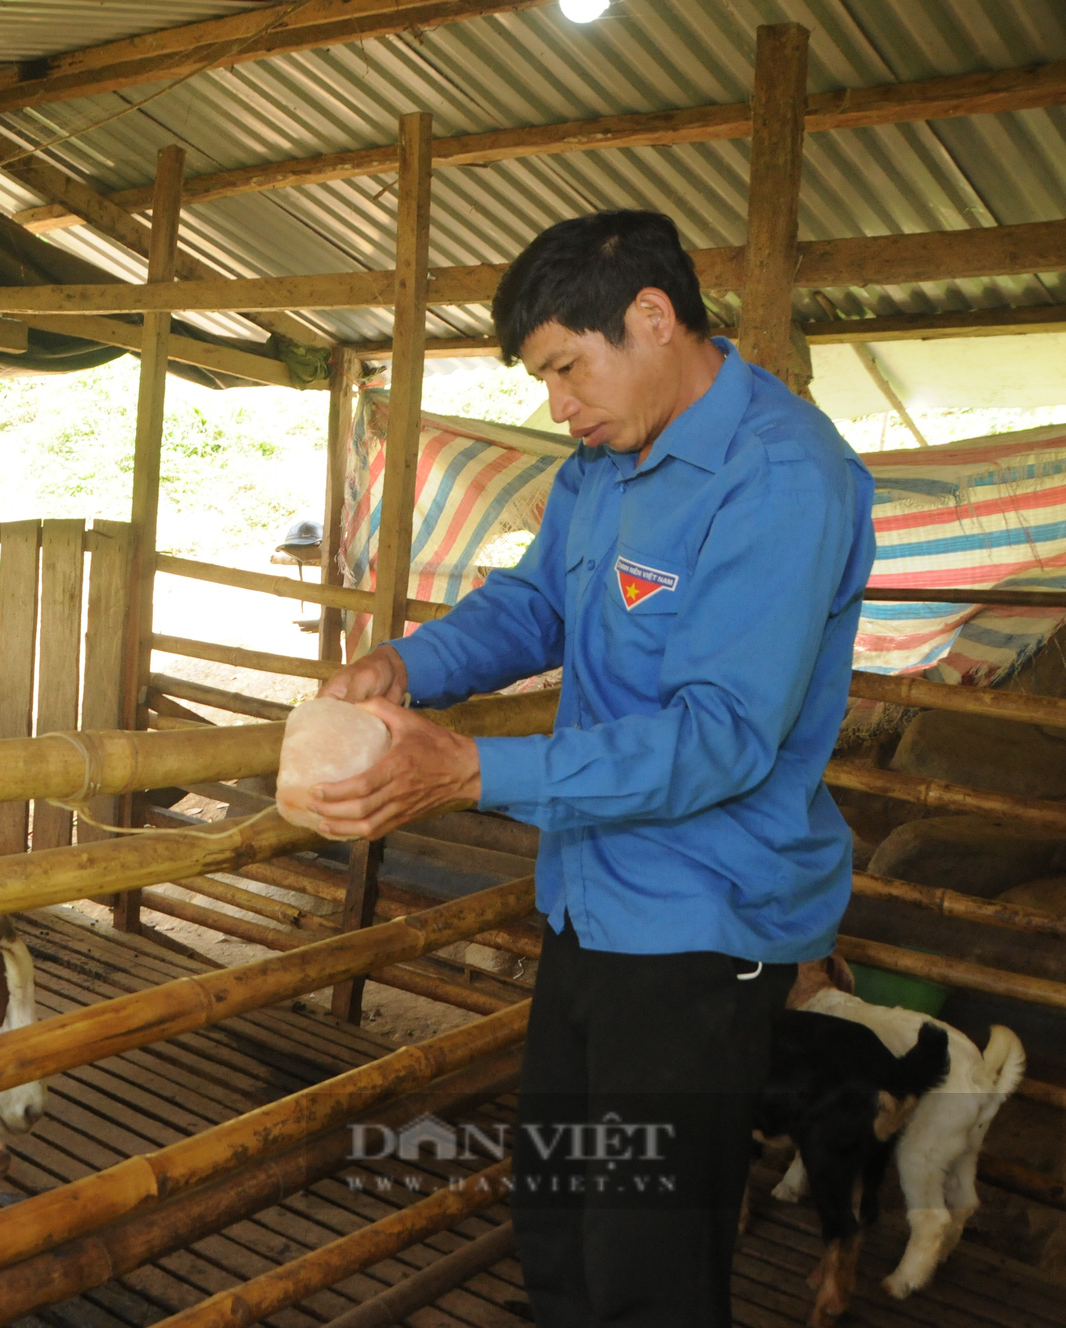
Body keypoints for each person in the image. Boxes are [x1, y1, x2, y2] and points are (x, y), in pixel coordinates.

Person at [308, 210, 875, 1328]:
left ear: (652, 319)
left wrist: (472, 770)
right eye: (543, 378)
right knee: (559, 1217)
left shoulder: (780, 477)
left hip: (705, 923)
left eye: (567, 367)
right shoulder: (603, 459)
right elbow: (535, 602)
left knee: (646, 1266)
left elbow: (717, 737)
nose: (557, 405)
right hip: (592, 900)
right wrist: (402, 664)